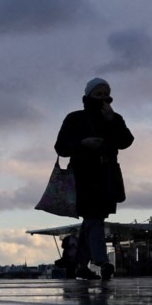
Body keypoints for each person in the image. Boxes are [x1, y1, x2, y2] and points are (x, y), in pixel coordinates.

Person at [55, 77, 134, 281]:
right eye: (98, 94)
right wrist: (83, 144)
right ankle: (101, 261)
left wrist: (111, 121)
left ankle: (81, 265)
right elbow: (61, 147)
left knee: (92, 220)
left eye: (105, 93)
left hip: (107, 174)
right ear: (88, 95)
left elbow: (126, 141)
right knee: (95, 217)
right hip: (83, 176)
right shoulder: (74, 118)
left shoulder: (114, 118)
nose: (103, 97)